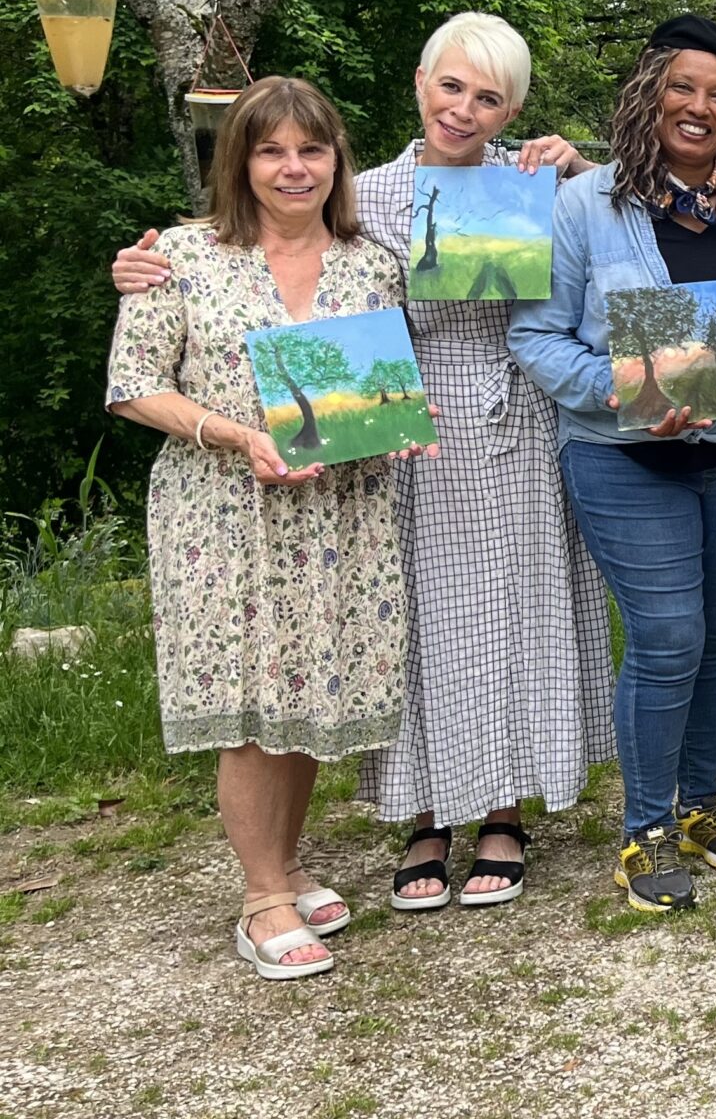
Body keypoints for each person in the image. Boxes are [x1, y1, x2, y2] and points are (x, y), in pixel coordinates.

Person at [108, 15, 609, 911]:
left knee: (514, 612)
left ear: (515, 107)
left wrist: (578, 172)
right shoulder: (371, 196)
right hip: (391, 440)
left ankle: (503, 809)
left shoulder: (538, 185)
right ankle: (426, 811)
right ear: (420, 81)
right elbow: (275, 256)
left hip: (514, 420)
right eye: (451, 86)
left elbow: (622, 244)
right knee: (417, 624)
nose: (465, 108)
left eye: (489, 96)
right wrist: (142, 265)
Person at [105, 77, 435, 977]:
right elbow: (134, 385)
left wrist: (389, 425)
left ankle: (285, 863)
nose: (294, 169)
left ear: (338, 160)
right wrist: (233, 433)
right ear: (239, 161)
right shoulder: (181, 256)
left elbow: (367, 389)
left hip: (338, 513)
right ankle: (260, 902)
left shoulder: (372, 264)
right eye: (271, 151)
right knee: (254, 704)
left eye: (312, 150)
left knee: (310, 690)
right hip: (223, 516)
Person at [509, 14, 716, 913]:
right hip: (624, 455)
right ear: (650, 93)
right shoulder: (582, 204)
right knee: (669, 636)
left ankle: (701, 805)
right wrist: (625, 389)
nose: (700, 107)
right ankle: (645, 829)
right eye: (684, 86)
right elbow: (536, 335)